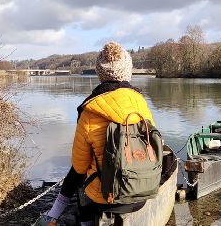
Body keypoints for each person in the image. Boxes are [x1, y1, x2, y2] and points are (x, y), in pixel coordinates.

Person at [35, 41, 155, 226]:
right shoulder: (141, 103)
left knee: (80, 175)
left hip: (104, 199)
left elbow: (79, 167)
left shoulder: (90, 110)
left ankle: (58, 217)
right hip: (142, 194)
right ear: (128, 71)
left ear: (100, 73)